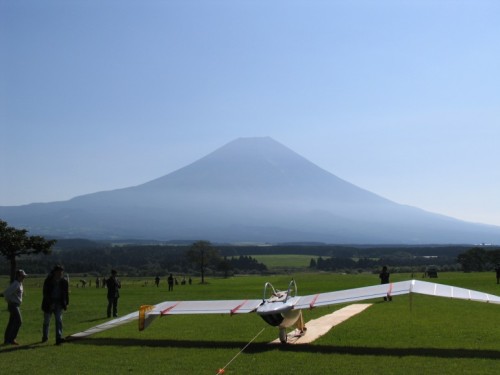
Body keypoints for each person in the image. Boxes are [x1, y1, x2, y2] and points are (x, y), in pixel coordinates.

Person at [42, 265, 69, 345]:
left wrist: (66, 303)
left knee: (59, 320)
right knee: (47, 321)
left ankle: (58, 338)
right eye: (59, 271)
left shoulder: (64, 282)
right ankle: (45, 337)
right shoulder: (48, 281)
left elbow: (66, 294)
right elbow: (45, 293)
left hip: (59, 303)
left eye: (61, 272)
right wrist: (50, 303)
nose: (60, 273)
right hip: (49, 303)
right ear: (54, 272)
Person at [3, 269, 27, 345]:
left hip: (15, 305)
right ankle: (11, 339)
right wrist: (9, 301)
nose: (23, 278)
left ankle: (7, 340)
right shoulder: (16, 284)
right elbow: (6, 293)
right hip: (13, 305)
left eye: (24, 277)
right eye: (22, 276)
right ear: (18, 276)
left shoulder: (19, 284)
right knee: (19, 321)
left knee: (11, 322)